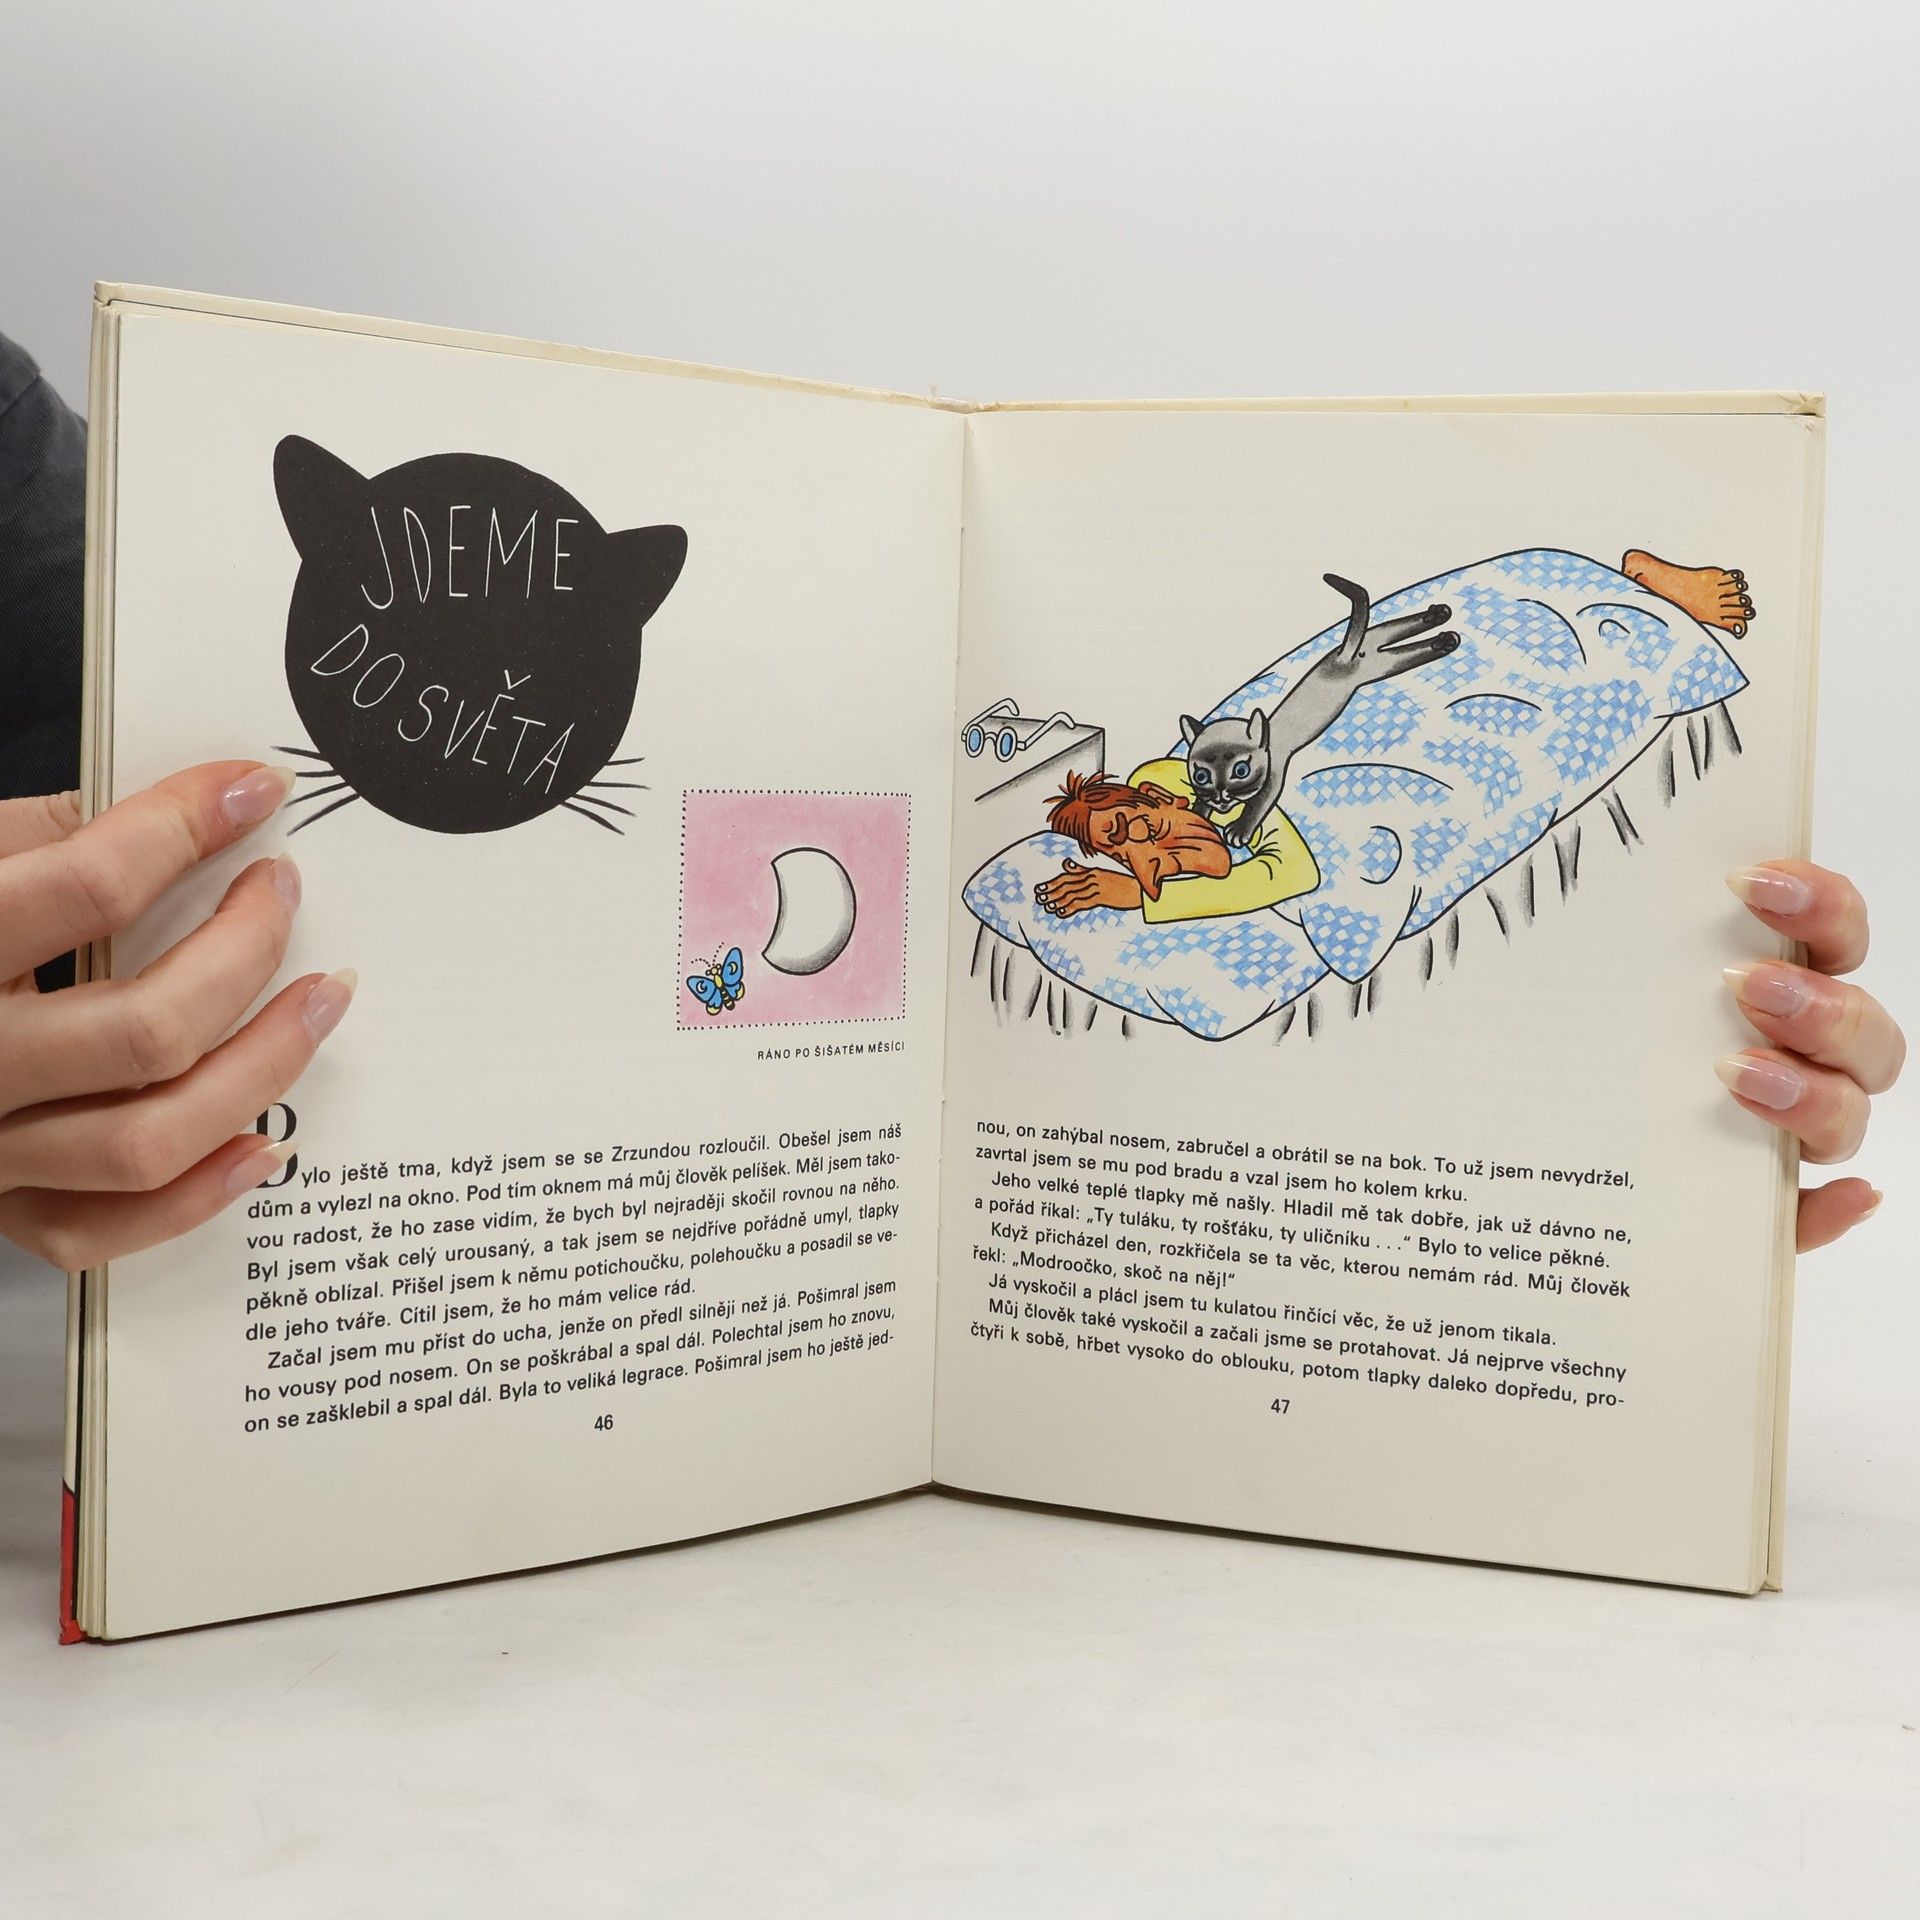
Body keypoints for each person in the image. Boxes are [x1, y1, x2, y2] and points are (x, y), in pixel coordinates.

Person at [0, 330, 1901, 1261]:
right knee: (1339, 710)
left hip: (1262, 817)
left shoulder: (51, 499)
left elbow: (234, 753)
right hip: (1257, 832)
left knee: (1370, 694)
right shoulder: (1202, 866)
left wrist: (1635, 1131)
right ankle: (1586, 615)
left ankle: (1614, 608)